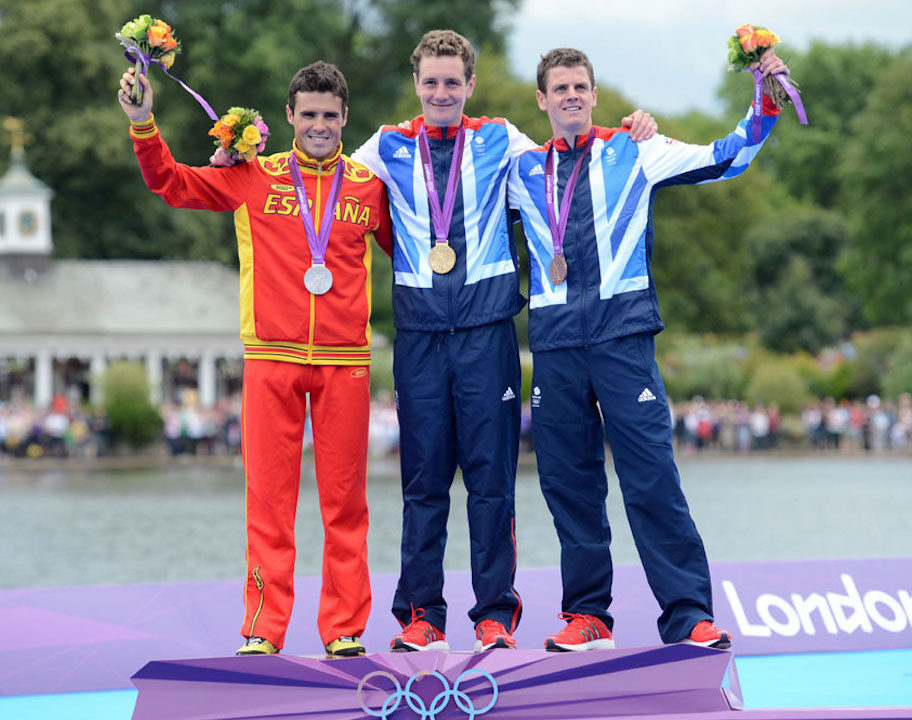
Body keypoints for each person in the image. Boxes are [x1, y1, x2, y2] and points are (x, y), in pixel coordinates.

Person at [351, 30, 657, 653]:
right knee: (422, 482)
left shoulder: (499, 139)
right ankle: (421, 617)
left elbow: (563, 161)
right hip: (418, 335)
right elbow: (326, 180)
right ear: (417, 85)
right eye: (432, 82)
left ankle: (494, 615)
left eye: (453, 82)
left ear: (470, 85)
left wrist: (633, 130)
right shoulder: (385, 145)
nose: (442, 92)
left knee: (492, 481)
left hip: (489, 332)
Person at [507, 46, 790, 651]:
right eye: (559, 89)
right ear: (542, 99)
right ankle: (587, 618)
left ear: (594, 94)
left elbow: (725, 158)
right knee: (567, 484)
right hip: (555, 344)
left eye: (580, 86)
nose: (571, 97)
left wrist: (763, 101)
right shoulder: (519, 169)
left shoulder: (636, 149)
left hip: (623, 338)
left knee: (651, 478)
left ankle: (688, 617)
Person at [118, 61, 393, 658]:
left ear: (345, 118)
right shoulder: (250, 176)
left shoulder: (370, 186)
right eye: (309, 114)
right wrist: (143, 123)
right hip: (270, 357)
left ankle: (344, 628)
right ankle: (263, 629)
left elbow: (418, 248)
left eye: (330, 115)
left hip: (345, 361)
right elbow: (173, 183)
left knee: (345, 502)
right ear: (290, 115)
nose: (319, 125)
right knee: (269, 503)